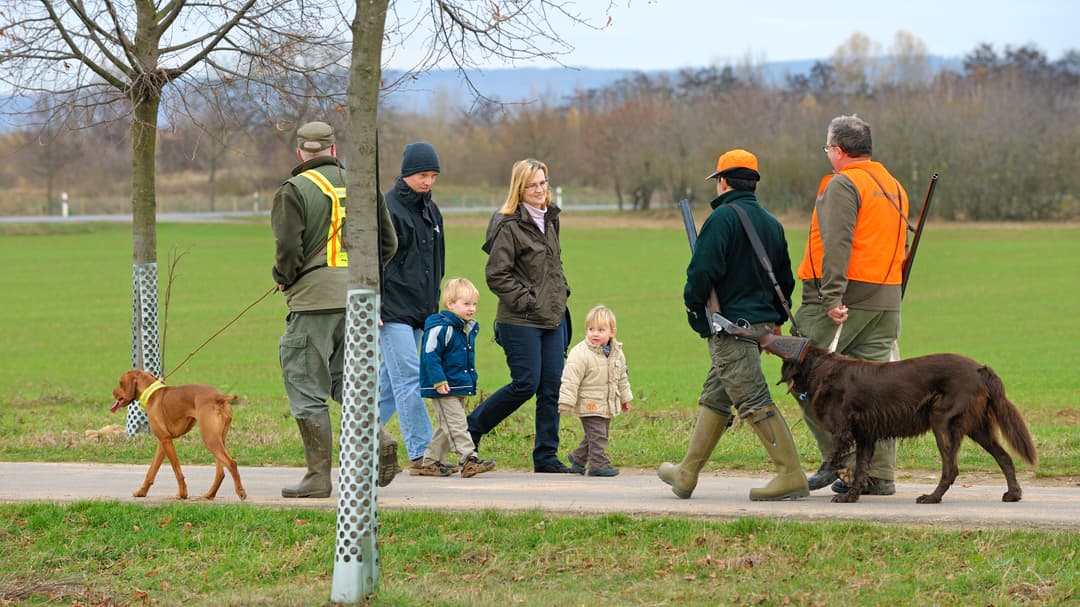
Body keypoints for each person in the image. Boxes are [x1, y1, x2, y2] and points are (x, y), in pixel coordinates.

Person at [658, 148, 808, 501]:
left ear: (722, 182)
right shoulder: (772, 224)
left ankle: (791, 474)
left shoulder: (722, 219)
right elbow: (785, 281)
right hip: (760, 327)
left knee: (753, 400)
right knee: (716, 395)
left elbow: (701, 272)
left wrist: (694, 308)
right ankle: (687, 473)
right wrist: (772, 320)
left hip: (730, 329)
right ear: (753, 184)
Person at [271, 121, 399, 498]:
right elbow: (388, 244)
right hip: (359, 301)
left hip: (313, 304)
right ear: (333, 148)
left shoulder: (294, 190)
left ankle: (317, 477)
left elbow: (289, 250)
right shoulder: (362, 186)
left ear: (300, 153)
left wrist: (284, 276)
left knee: (306, 384)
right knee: (351, 379)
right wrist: (361, 280)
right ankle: (376, 438)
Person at [794, 114, 909, 497]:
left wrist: (831, 296)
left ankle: (838, 462)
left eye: (828, 148)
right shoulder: (893, 185)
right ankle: (877, 475)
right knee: (878, 391)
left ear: (839, 150)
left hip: (843, 299)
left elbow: (837, 242)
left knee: (803, 377)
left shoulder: (844, 184)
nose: (828, 155)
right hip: (886, 301)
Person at [466, 158, 574, 474]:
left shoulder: (551, 219)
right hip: (519, 319)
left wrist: (561, 292)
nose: (540, 190)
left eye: (543, 183)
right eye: (533, 185)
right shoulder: (508, 225)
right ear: (520, 189)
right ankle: (473, 427)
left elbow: (553, 266)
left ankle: (546, 457)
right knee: (526, 384)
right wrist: (527, 301)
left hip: (552, 318)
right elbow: (497, 274)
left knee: (552, 386)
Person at [379, 141, 445, 473]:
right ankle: (422, 454)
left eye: (433, 176)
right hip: (391, 309)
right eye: (422, 175)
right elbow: (375, 259)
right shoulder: (388, 208)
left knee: (390, 383)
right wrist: (374, 304)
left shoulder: (432, 212)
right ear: (406, 173)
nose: (428, 182)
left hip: (422, 310)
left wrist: (434, 307)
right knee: (409, 377)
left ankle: (356, 436)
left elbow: (438, 262)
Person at [414, 277, 497, 478]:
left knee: (447, 426)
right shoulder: (441, 328)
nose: (472, 309)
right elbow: (430, 355)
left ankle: (430, 463)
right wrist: (439, 381)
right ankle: (468, 459)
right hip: (443, 386)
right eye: (466, 304)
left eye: (474, 304)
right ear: (450, 304)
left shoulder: (465, 328)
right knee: (458, 424)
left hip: (457, 384)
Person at [558, 305, 633, 477]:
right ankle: (598, 465)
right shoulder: (580, 353)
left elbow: (622, 377)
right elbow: (570, 379)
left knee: (597, 434)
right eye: (591, 329)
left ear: (612, 332)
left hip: (606, 402)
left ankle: (578, 459)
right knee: (599, 435)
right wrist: (566, 402)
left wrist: (625, 398)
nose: (595, 334)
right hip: (589, 402)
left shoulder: (617, 353)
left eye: (601, 330)